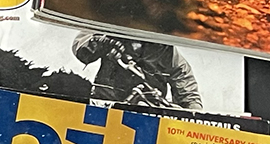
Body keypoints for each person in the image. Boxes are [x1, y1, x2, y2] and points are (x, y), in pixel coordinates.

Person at [71, 31, 202, 108]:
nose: (135, 46)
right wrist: (100, 43)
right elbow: (81, 47)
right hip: (105, 105)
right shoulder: (113, 22)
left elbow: (190, 100)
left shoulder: (171, 57)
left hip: (146, 113)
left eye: (144, 41)